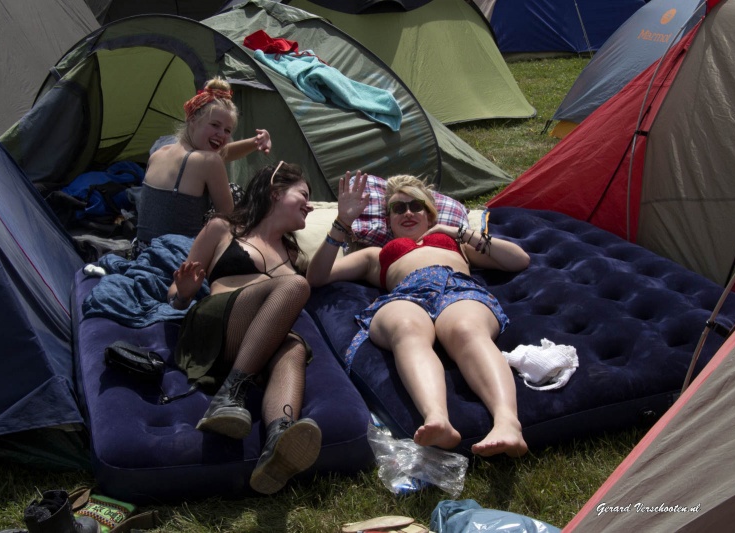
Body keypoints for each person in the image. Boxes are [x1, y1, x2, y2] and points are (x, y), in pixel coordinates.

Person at [306, 172, 530, 458]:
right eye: (398, 208)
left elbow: (519, 260)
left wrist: (459, 232)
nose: (408, 212)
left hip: (456, 288)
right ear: (389, 219)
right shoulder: (376, 254)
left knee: (466, 329)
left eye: (417, 206)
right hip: (404, 296)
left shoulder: (456, 244)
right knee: (406, 328)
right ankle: (437, 418)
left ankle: (508, 423)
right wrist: (343, 222)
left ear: (430, 215)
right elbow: (316, 276)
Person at [166, 161, 321, 494]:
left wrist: (345, 222)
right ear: (276, 192)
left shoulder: (292, 252)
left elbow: (326, 272)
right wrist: (185, 293)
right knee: (295, 285)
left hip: (256, 346)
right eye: (304, 195)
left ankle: (279, 443)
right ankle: (228, 395)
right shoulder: (223, 228)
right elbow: (175, 296)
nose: (310, 205)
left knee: (293, 346)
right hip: (218, 324)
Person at [134, 76, 272, 255]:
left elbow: (221, 153)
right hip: (176, 258)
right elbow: (229, 221)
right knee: (238, 195)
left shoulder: (160, 150)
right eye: (215, 125)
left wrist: (255, 142)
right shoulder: (209, 163)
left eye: (227, 131)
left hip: (142, 251)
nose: (221, 135)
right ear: (192, 119)